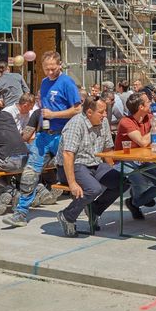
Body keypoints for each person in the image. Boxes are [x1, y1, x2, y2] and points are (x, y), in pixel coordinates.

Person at [3, 51, 81, 227]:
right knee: (30, 173)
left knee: (73, 174)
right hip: (44, 135)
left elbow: (77, 109)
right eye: (46, 69)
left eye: (53, 68)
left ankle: (82, 209)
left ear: (60, 65)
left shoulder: (67, 82)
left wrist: (54, 114)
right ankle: (20, 213)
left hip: (63, 135)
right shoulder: (44, 83)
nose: (50, 72)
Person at [55, 96, 120, 237]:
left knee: (121, 181)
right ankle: (68, 216)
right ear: (89, 112)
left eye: (105, 112)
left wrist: (111, 171)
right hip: (73, 165)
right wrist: (72, 183)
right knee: (93, 189)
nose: (104, 115)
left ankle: (94, 210)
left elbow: (108, 149)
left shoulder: (103, 123)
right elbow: (67, 155)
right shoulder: (75, 124)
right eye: (101, 112)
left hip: (94, 163)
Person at [115, 92, 156, 220]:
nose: (151, 103)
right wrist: (155, 128)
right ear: (141, 107)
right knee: (142, 184)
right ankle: (137, 201)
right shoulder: (126, 122)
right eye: (148, 102)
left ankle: (138, 200)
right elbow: (143, 142)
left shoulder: (148, 117)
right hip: (124, 160)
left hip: (143, 159)